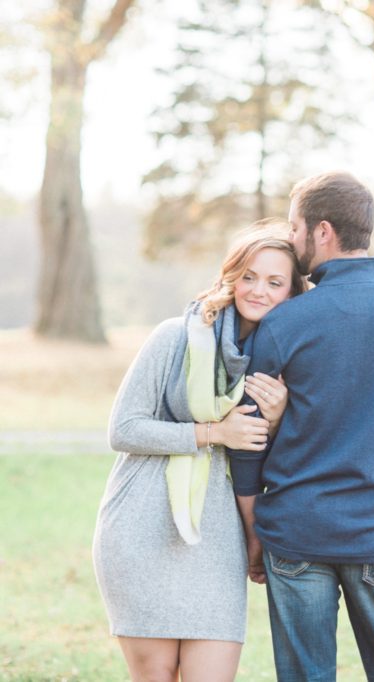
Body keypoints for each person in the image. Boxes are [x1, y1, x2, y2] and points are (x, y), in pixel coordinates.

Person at [228, 171, 374, 682]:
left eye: (295, 227)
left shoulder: (284, 323)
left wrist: (252, 530)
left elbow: (248, 442)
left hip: (294, 534)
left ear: (323, 230)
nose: (291, 238)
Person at [92, 223, 307, 682]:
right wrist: (214, 432)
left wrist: (279, 418)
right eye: (250, 276)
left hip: (219, 538)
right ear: (231, 276)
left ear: (292, 293)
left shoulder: (288, 362)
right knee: (155, 675)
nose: (259, 291)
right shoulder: (177, 336)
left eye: (275, 282)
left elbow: (287, 458)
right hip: (144, 525)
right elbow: (124, 428)